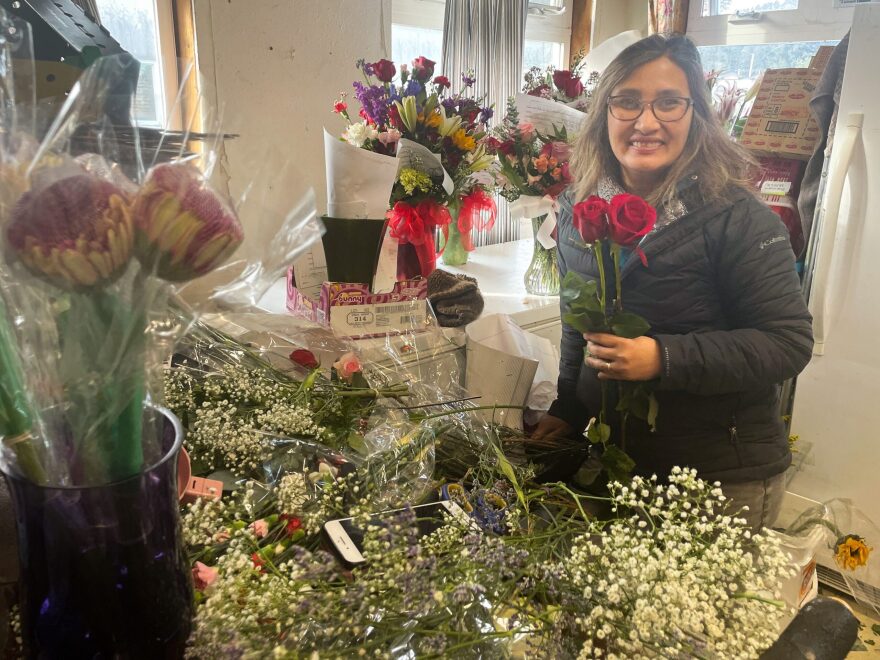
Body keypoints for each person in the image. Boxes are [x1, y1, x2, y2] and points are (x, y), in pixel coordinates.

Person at [532, 34, 814, 530]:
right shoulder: (579, 208)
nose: (646, 122)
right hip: (622, 462)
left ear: (696, 114)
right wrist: (569, 410)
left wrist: (663, 358)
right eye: (627, 102)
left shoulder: (739, 218)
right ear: (604, 113)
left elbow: (787, 343)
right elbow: (579, 326)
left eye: (668, 102)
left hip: (719, 477)